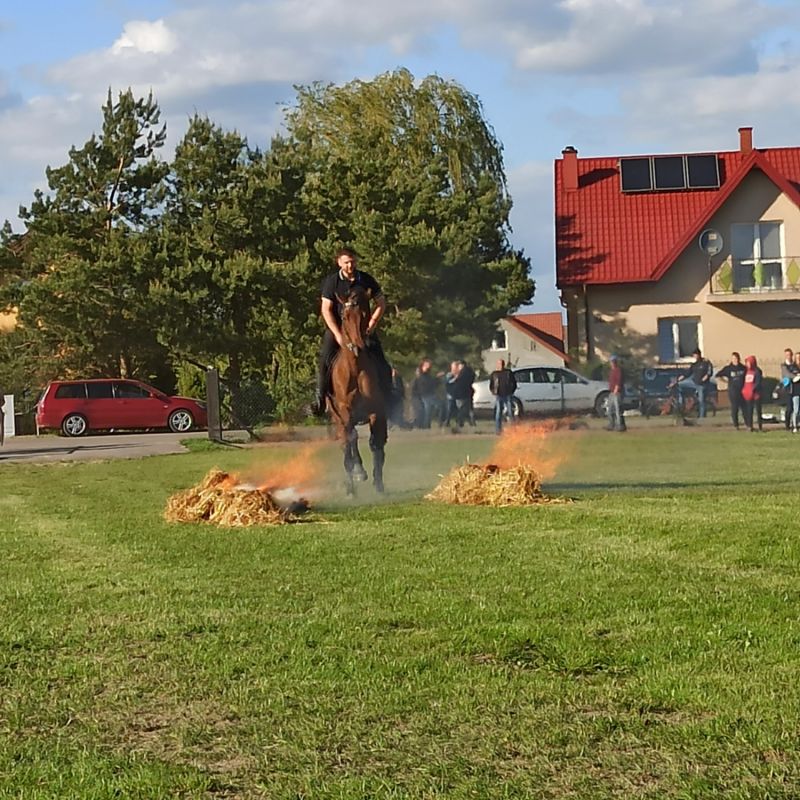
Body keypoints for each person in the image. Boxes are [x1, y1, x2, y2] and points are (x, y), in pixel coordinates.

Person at [313, 248, 391, 415]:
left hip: (363, 329)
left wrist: (372, 323)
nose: (350, 265)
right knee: (324, 360)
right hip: (338, 329)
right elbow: (326, 309)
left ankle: (391, 397)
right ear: (339, 263)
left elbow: (381, 303)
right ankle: (320, 400)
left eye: (352, 261)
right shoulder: (332, 282)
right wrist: (337, 334)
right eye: (346, 262)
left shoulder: (366, 279)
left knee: (382, 362)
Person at [675, 348, 713, 418]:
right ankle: (681, 405)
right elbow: (687, 373)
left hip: (702, 384)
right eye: (694, 355)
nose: (695, 357)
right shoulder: (694, 364)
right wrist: (679, 379)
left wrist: (705, 378)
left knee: (701, 401)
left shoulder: (706, 363)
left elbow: (709, 373)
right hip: (693, 383)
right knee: (680, 385)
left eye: (696, 355)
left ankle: (702, 416)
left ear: (699, 355)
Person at [715, 352, 746, 429]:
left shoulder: (743, 368)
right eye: (734, 358)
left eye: (737, 358)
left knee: (744, 408)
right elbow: (718, 375)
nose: (736, 360)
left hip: (742, 391)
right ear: (732, 359)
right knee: (735, 408)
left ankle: (747, 424)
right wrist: (725, 381)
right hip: (733, 391)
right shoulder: (728, 368)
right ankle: (736, 425)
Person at [489, 358, 517, 435]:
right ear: (497, 365)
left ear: (504, 365)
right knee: (498, 413)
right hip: (499, 396)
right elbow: (491, 384)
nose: (500, 365)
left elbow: (514, 383)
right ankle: (498, 430)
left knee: (510, 412)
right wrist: (493, 392)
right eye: (499, 364)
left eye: (502, 364)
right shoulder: (494, 374)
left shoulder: (508, 373)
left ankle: (513, 430)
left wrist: (511, 391)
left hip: (508, 395)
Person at [411, 359, 439, 429]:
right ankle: (423, 425)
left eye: (428, 365)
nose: (428, 367)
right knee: (425, 411)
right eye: (426, 365)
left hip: (427, 395)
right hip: (421, 396)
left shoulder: (428, 375)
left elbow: (431, 384)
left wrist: (437, 379)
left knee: (428, 410)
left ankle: (425, 425)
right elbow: (418, 387)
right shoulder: (420, 376)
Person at [741, 355, 763, 432]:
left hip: (756, 394)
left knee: (758, 411)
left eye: (748, 363)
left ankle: (760, 426)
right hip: (748, 395)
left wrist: (753, 389)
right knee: (749, 410)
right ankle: (750, 426)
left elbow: (758, 382)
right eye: (747, 363)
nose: (747, 364)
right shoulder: (746, 371)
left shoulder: (757, 371)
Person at [606, 354, 626, 432]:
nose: (612, 363)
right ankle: (611, 424)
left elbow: (618, 381)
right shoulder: (611, 371)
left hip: (617, 392)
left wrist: (616, 390)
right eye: (611, 361)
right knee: (610, 409)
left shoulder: (618, 370)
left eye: (613, 361)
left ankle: (620, 425)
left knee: (618, 410)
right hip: (611, 392)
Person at [781, 348, 794, 431]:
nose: (788, 356)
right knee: (789, 408)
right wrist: (796, 376)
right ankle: (787, 425)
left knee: (796, 408)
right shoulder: (784, 366)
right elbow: (787, 374)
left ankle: (795, 424)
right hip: (788, 389)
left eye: (789, 355)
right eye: (787, 355)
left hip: (796, 388)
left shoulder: (795, 365)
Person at [789, 351, 800, 433]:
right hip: (796, 392)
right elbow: (793, 378)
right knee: (796, 410)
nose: (798, 359)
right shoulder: (793, 367)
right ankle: (794, 426)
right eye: (797, 358)